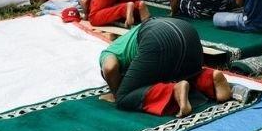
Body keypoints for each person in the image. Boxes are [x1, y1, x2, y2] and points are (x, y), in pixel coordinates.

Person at [99, 17, 232, 115]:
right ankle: (210, 79)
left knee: (124, 98)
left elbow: (109, 68)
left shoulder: (109, 52)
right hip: (187, 30)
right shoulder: (130, 44)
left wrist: (116, 93)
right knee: (179, 73)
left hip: (157, 38)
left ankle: (174, 90)